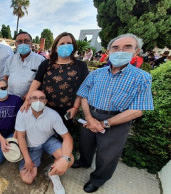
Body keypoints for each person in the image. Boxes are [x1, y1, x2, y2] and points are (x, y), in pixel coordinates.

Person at [75, 33, 154, 193]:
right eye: (116, 48)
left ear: (136, 52)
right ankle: (84, 161)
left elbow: (138, 110)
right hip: (91, 115)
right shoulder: (97, 73)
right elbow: (83, 94)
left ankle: (97, 179)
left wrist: (105, 124)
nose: (120, 51)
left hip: (117, 121)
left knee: (107, 155)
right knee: (86, 144)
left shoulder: (142, 77)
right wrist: (89, 118)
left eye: (127, 47)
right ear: (109, 51)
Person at [21, 32, 89, 133]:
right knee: (42, 133)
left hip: (66, 110)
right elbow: (36, 83)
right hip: (44, 107)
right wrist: (27, 101)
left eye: (68, 43)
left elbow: (82, 89)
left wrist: (75, 107)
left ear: (73, 47)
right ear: (56, 48)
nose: (65, 46)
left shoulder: (80, 66)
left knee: (61, 135)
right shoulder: (46, 64)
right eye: (62, 44)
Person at [15, 90, 74, 193]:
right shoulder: (22, 113)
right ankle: (44, 163)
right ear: (28, 101)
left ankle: (53, 175)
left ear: (46, 101)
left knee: (70, 159)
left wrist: (64, 159)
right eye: (34, 98)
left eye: (41, 98)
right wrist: (27, 160)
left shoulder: (53, 115)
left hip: (48, 141)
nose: (38, 101)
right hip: (32, 146)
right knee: (27, 179)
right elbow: (21, 137)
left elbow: (67, 137)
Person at [0, 79, 23, 165]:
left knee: (20, 154)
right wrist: (1, 140)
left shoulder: (16, 100)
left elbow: (21, 120)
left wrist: (14, 138)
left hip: (13, 132)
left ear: (7, 87)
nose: (1, 90)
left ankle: (2, 147)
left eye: (3, 88)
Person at [4, 32, 45, 99]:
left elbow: (43, 81)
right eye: (19, 41)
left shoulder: (40, 60)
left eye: (26, 41)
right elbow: (6, 77)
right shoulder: (10, 60)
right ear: (15, 44)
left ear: (31, 44)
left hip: (31, 99)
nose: (23, 44)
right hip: (11, 97)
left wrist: (30, 93)